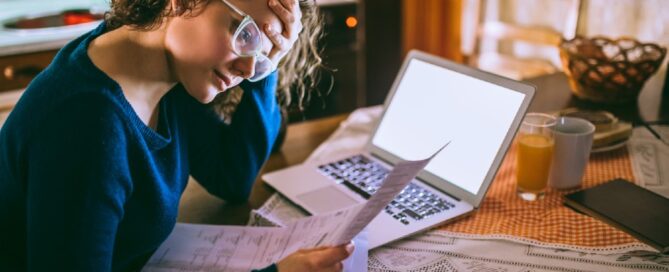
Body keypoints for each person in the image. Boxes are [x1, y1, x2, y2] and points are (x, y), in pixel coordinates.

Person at [0, 0, 353, 271]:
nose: (248, 69)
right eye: (245, 34)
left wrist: (266, 71)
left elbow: (232, 176)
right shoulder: (87, 126)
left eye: (263, 52)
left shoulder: (159, 69)